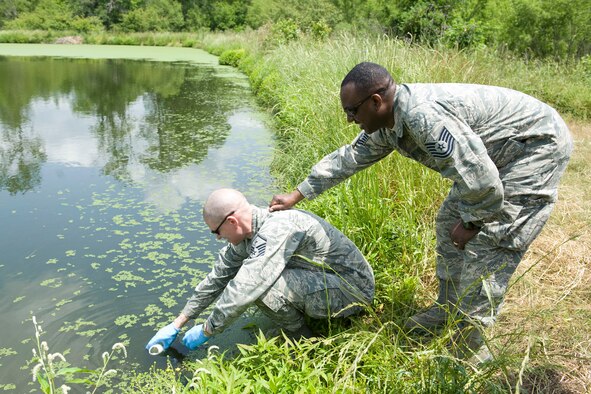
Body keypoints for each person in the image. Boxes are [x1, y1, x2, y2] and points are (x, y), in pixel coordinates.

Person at [269, 62, 572, 361]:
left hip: (535, 147)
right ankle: (446, 310)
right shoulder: (387, 121)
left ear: (376, 101)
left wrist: (472, 222)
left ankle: (472, 345)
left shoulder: (421, 117)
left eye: (352, 111)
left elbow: (483, 183)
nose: (349, 119)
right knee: (447, 223)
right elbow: (350, 157)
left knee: (491, 240)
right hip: (494, 156)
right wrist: (297, 194)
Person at [146, 188, 375, 352]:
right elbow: (217, 278)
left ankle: (302, 339)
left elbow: (247, 285)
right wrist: (178, 323)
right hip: (323, 280)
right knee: (246, 278)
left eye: (216, 231)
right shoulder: (245, 238)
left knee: (260, 288)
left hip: (352, 289)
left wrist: (207, 330)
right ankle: (300, 322)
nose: (217, 238)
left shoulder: (276, 227)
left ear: (232, 222)